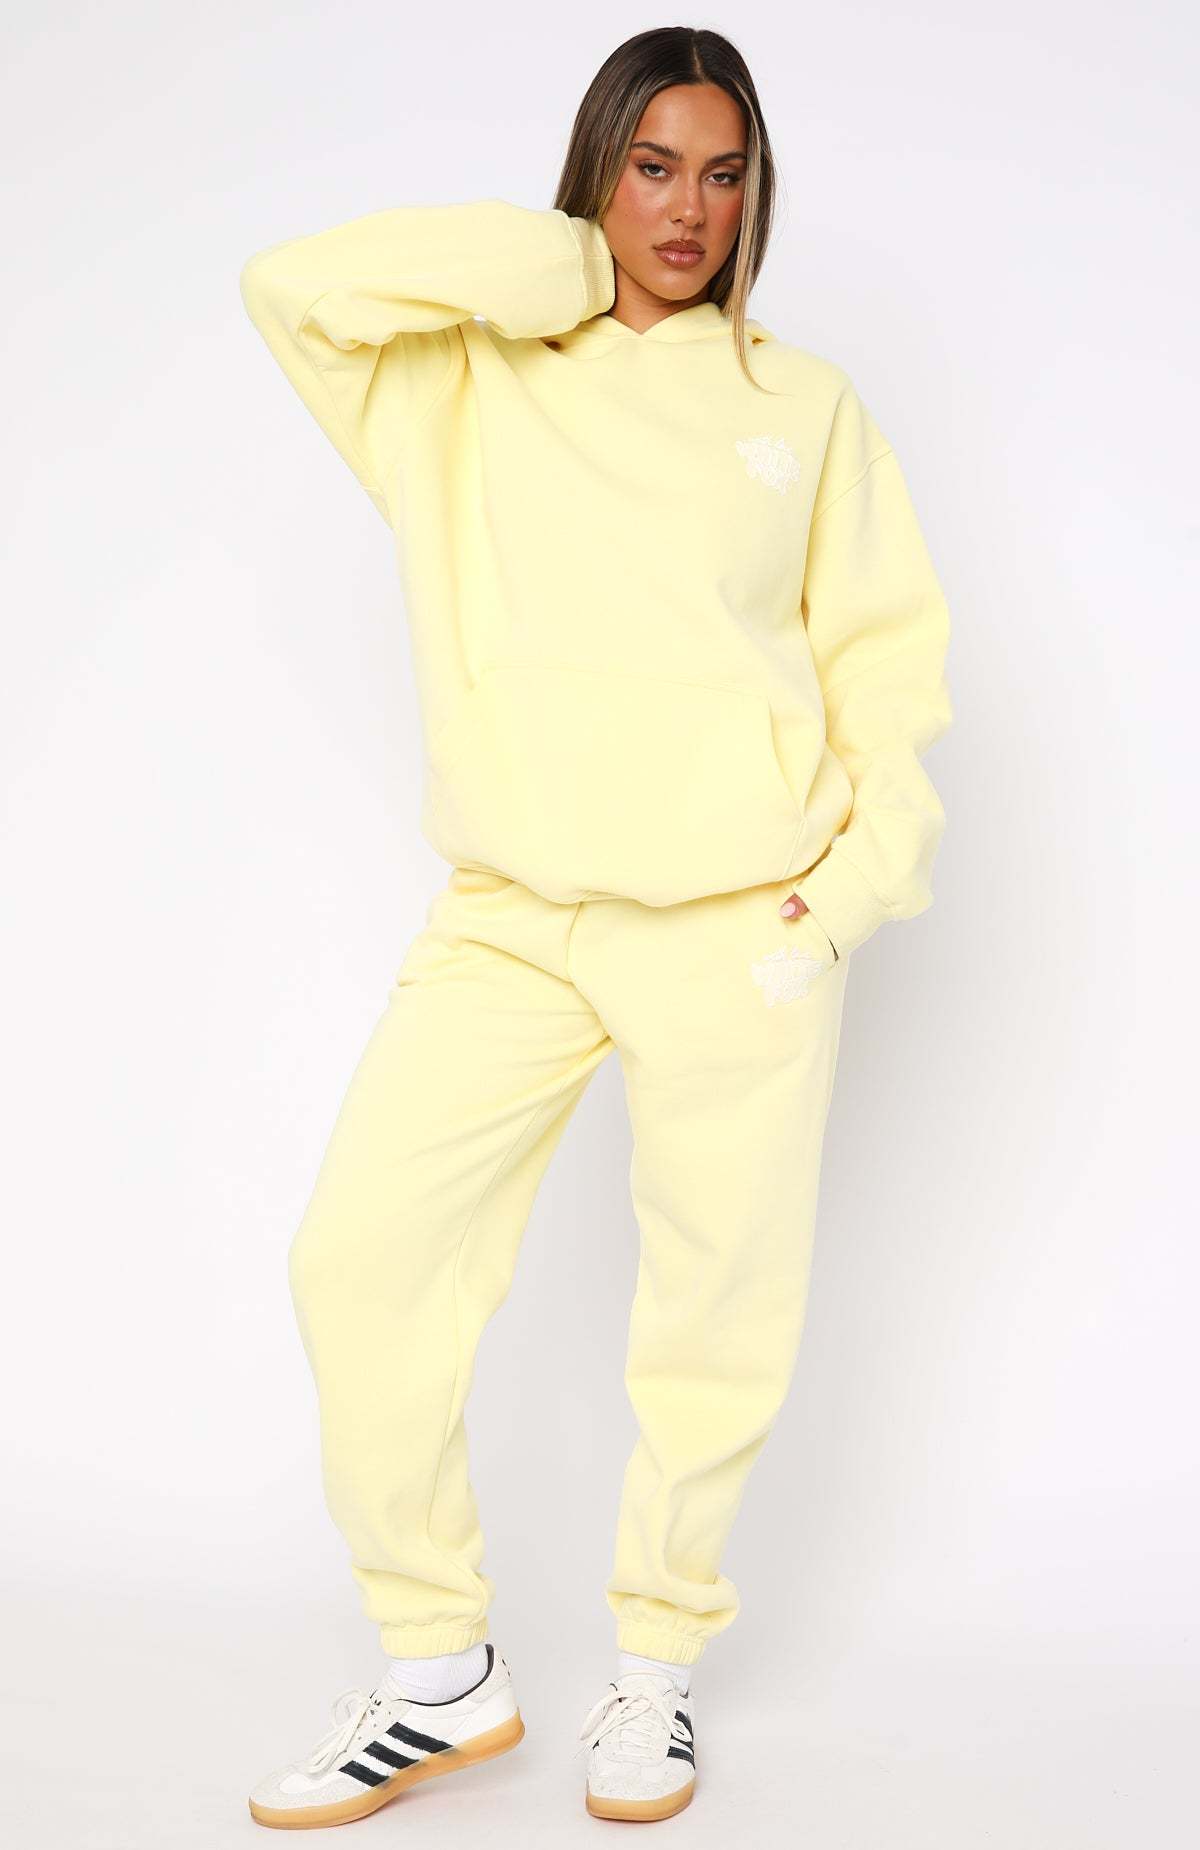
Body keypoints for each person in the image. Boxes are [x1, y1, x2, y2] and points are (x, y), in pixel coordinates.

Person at [237, 23, 952, 1831]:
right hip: (512, 915)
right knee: (360, 1260)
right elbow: (292, 288)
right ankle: (438, 1670)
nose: (687, 210)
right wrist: (554, 265)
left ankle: (657, 1672)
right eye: (650, 167)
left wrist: (836, 906)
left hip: (736, 929)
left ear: (758, 191)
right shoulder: (464, 385)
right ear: (595, 172)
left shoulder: (804, 409)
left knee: (713, 1313)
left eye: (723, 173)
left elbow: (888, 677)